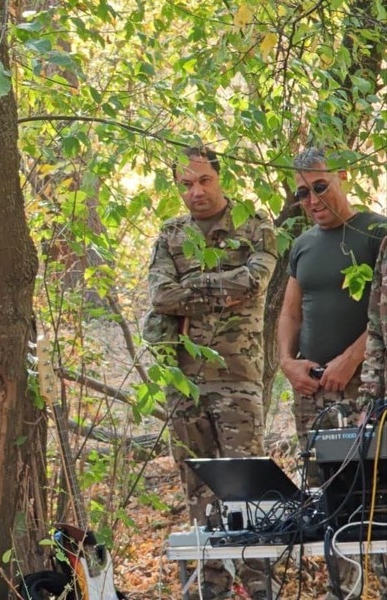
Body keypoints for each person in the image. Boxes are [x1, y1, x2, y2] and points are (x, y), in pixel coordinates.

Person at [148, 146, 278, 599]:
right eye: (185, 184)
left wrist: (192, 288)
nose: (195, 191)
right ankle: (211, 590)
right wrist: (219, 287)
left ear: (221, 179)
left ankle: (263, 588)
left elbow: (254, 281)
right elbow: (161, 297)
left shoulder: (255, 224)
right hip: (184, 383)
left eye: (203, 181)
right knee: (199, 495)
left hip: (237, 380)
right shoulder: (171, 234)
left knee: (251, 493)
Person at [279, 147, 387, 599]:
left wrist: (351, 359)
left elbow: (383, 313)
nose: (312, 199)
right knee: (327, 499)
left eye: (320, 186)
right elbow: (289, 314)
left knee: (376, 495)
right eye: (302, 193)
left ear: (343, 176)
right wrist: (287, 363)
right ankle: (343, 589)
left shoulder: (375, 231)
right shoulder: (303, 244)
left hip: (366, 391)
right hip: (313, 393)